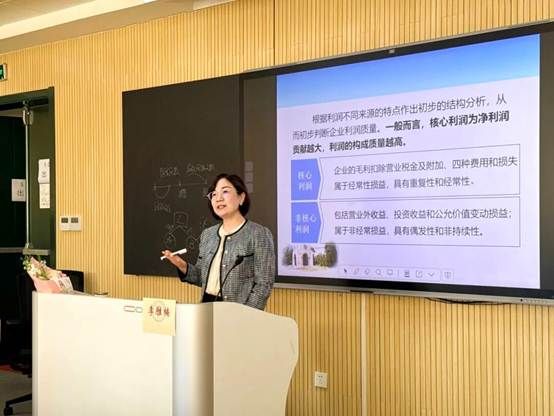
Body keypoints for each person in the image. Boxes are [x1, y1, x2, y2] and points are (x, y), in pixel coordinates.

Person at [161, 173, 275, 310]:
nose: (218, 198)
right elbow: (201, 278)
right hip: (206, 308)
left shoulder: (258, 234)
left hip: (238, 312)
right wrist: (182, 265)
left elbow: (264, 284)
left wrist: (247, 314)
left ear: (241, 197)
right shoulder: (207, 235)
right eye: (214, 194)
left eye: (225, 191)